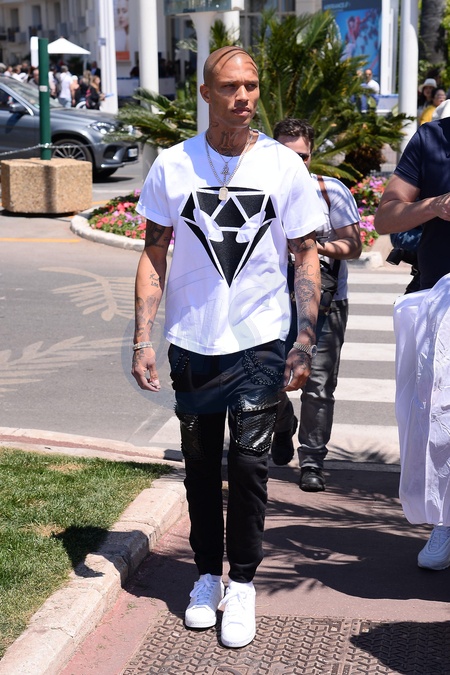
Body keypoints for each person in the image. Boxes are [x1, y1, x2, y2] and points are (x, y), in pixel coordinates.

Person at [131, 46, 324, 648]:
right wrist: (141, 337)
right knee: (199, 466)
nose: (243, 97)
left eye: (252, 85)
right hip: (193, 341)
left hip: (259, 340)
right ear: (205, 93)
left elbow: (306, 255)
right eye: (230, 86)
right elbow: (154, 252)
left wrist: (304, 339)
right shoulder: (173, 165)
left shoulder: (283, 167)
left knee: (247, 465)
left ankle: (241, 583)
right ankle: (205, 577)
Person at [374, 114, 450, 571]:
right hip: (441, 301)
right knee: (441, 416)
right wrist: (436, 205)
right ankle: (445, 521)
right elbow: (385, 216)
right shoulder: (433, 138)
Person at [271, 118, 361, 491]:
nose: (296, 164)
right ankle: (281, 424)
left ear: (312, 155)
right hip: (271, 301)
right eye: (286, 155)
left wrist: (311, 247)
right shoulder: (259, 192)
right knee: (265, 376)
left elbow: (353, 245)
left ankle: (311, 460)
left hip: (326, 303)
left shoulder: (330, 191)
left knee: (318, 384)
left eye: (303, 156)